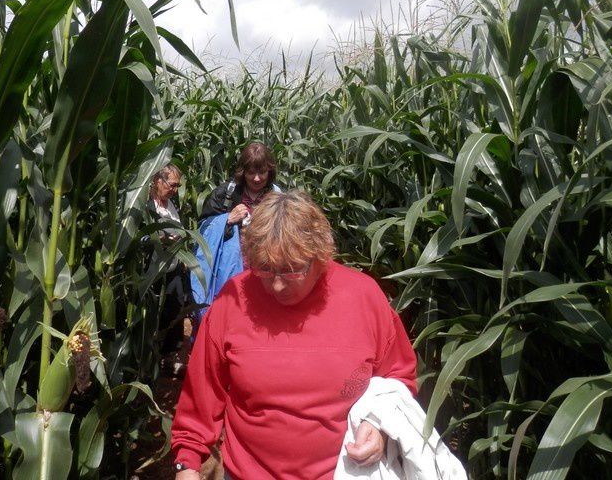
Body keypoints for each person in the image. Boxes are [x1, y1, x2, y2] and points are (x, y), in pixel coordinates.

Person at [172, 191, 417, 479]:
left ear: (320, 256)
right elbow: (201, 395)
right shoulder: (233, 300)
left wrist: (381, 428)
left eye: (290, 271)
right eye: (264, 269)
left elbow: (399, 377)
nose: (276, 285)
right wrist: (187, 463)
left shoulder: (363, 297)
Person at [191, 142, 280, 309]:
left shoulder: (277, 197)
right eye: (251, 172)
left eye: (262, 172)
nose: (256, 178)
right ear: (243, 172)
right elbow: (202, 232)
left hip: (266, 274)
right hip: (231, 274)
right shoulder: (226, 194)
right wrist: (227, 219)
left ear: (270, 171)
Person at [147, 164, 190, 370]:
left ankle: (170, 358)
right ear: (157, 181)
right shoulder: (146, 205)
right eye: (172, 185)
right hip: (152, 272)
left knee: (175, 309)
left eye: (178, 186)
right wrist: (160, 239)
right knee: (154, 314)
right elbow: (141, 236)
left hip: (173, 269)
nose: (175, 190)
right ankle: (148, 358)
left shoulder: (171, 205)